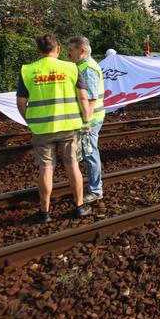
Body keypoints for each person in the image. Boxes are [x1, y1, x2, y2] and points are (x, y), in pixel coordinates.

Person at [16, 35, 92, 223]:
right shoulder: (71, 68)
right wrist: (87, 120)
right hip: (69, 127)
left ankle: (44, 212)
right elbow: (83, 98)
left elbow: (21, 102)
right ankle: (79, 207)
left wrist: (30, 120)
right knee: (72, 166)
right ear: (57, 48)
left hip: (42, 129)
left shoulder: (28, 70)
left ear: (38, 50)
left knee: (46, 169)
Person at [68, 36, 105, 204]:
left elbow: (90, 99)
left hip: (91, 118)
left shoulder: (87, 68)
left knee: (90, 154)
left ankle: (95, 190)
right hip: (90, 117)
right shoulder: (82, 66)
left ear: (81, 51)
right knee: (89, 153)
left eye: (71, 50)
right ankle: (93, 187)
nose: (68, 53)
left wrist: (86, 123)